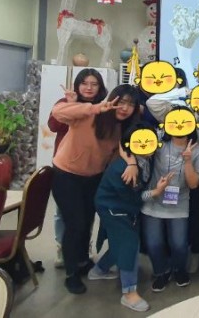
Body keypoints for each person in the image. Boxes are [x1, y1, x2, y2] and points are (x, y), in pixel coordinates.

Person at [51, 84, 140, 294]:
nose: (125, 108)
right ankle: (71, 273)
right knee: (75, 224)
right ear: (112, 99)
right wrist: (95, 107)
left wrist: (132, 164)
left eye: (131, 104)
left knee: (87, 222)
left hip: (93, 178)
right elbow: (58, 113)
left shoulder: (121, 128)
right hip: (66, 175)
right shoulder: (90, 114)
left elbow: (121, 154)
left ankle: (82, 261)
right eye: (122, 102)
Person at [90, 123, 172, 312]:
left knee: (121, 242)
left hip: (125, 206)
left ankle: (99, 270)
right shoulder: (123, 170)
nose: (146, 144)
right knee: (129, 245)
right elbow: (134, 197)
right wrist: (156, 192)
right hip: (113, 208)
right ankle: (129, 293)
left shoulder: (142, 158)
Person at [48, 68, 107, 268]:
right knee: (68, 216)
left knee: (85, 217)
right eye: (84, 83)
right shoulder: (66, 103)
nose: (89, 88)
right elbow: (54, 124)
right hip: (67, 166)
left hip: (92, 169)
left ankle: (81, 255)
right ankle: (64, 251)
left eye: (94, 84)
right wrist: (73, 105)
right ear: (77, 85)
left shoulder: (104, 107)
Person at [141, 113, 199, 292]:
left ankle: (179, 270)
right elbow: (134, 147)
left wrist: (188, 161)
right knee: (153, 244)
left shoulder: (198, 151)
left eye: (184, 122)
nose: (179, 126)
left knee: (179, 244)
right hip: (153, 202)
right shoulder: (159, 145)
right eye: (174, 122)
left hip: (180, 204)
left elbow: (193, 184)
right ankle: (161, 272)